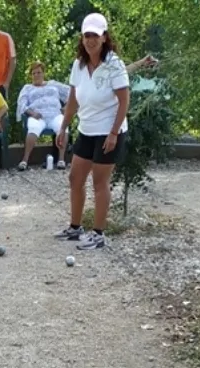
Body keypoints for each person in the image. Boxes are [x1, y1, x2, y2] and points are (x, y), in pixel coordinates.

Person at [55, 12, 130, 251]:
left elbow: (124, 101)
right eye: (87, 35)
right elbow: (73, 100)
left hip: (108, 131)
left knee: (100, 182)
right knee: (75, 178)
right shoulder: (79, 65)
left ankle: (98, 234)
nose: (90, 40)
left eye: (95, 36)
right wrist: (64, 127)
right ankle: (75, 227)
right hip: (86, 129)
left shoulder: (114, 65)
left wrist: (114, 133)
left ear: (104, 37)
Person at [15, 62, 70, 171]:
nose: (36, 75)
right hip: (37, 116)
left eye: (39, 72)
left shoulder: (53, 84)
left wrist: (67, 106)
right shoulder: (27, 88)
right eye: (34, 73)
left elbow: (71, 92)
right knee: (33, 128)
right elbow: (21, 104)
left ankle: (61, 159)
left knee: (62, 126)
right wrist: (32, 113)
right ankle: (25, 160)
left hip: (55, 114)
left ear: (43, 73)